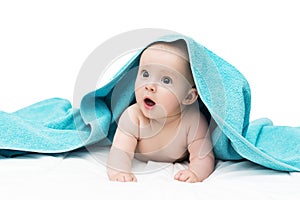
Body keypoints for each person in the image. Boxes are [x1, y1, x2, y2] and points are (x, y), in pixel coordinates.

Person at [107, 40, 215, 183]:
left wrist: (196, 172)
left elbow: (203, 156)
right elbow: (119, 151)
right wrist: (119, 171)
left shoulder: (192, 121)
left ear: (188, 96)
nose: (150, 86)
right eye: (145, 74)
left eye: (166, 80)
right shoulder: (133, 116)